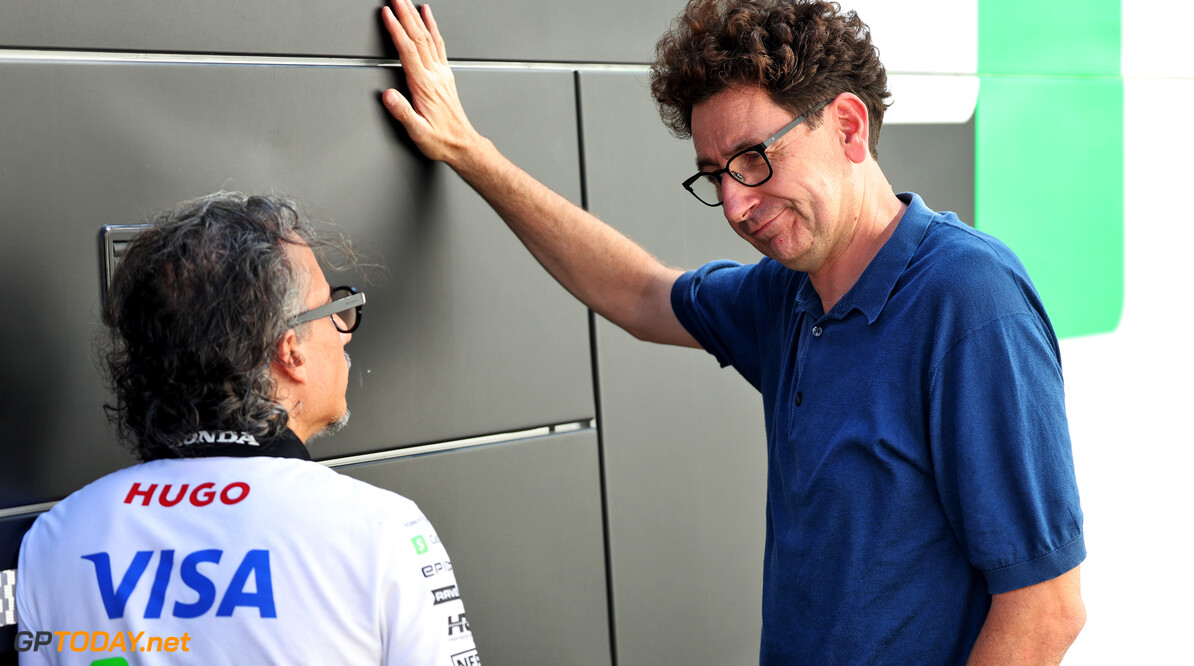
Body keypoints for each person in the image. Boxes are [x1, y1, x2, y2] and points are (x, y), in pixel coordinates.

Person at [379, 0, 1085, 663]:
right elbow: (639, 292)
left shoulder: (969, 302)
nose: (736, 205)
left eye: (753, 158)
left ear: (847, 126)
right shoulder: (788, 297)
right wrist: (471, 152)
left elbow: (1045, 609)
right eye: (714, 175)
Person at [15, 192, 478, 665]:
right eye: (332, 309)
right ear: (290, 350)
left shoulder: (57, 539)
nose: (346, 331)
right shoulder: (380, 532)